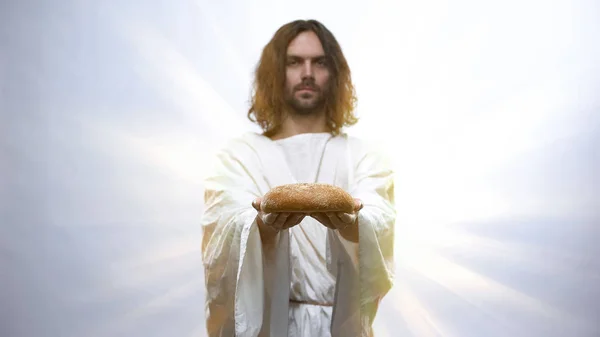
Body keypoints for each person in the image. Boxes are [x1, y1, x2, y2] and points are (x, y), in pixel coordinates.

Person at [201, 19, 396, 337]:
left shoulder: (362, 155)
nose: (307, 73)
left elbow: (379, 217)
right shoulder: (239, 155)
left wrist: (351, 224)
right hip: (271, 325)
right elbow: (224, 225)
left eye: (319, 62)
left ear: (334, 74)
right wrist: (261, 227)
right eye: (294, 62)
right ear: (275, 73)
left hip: (338, 324)